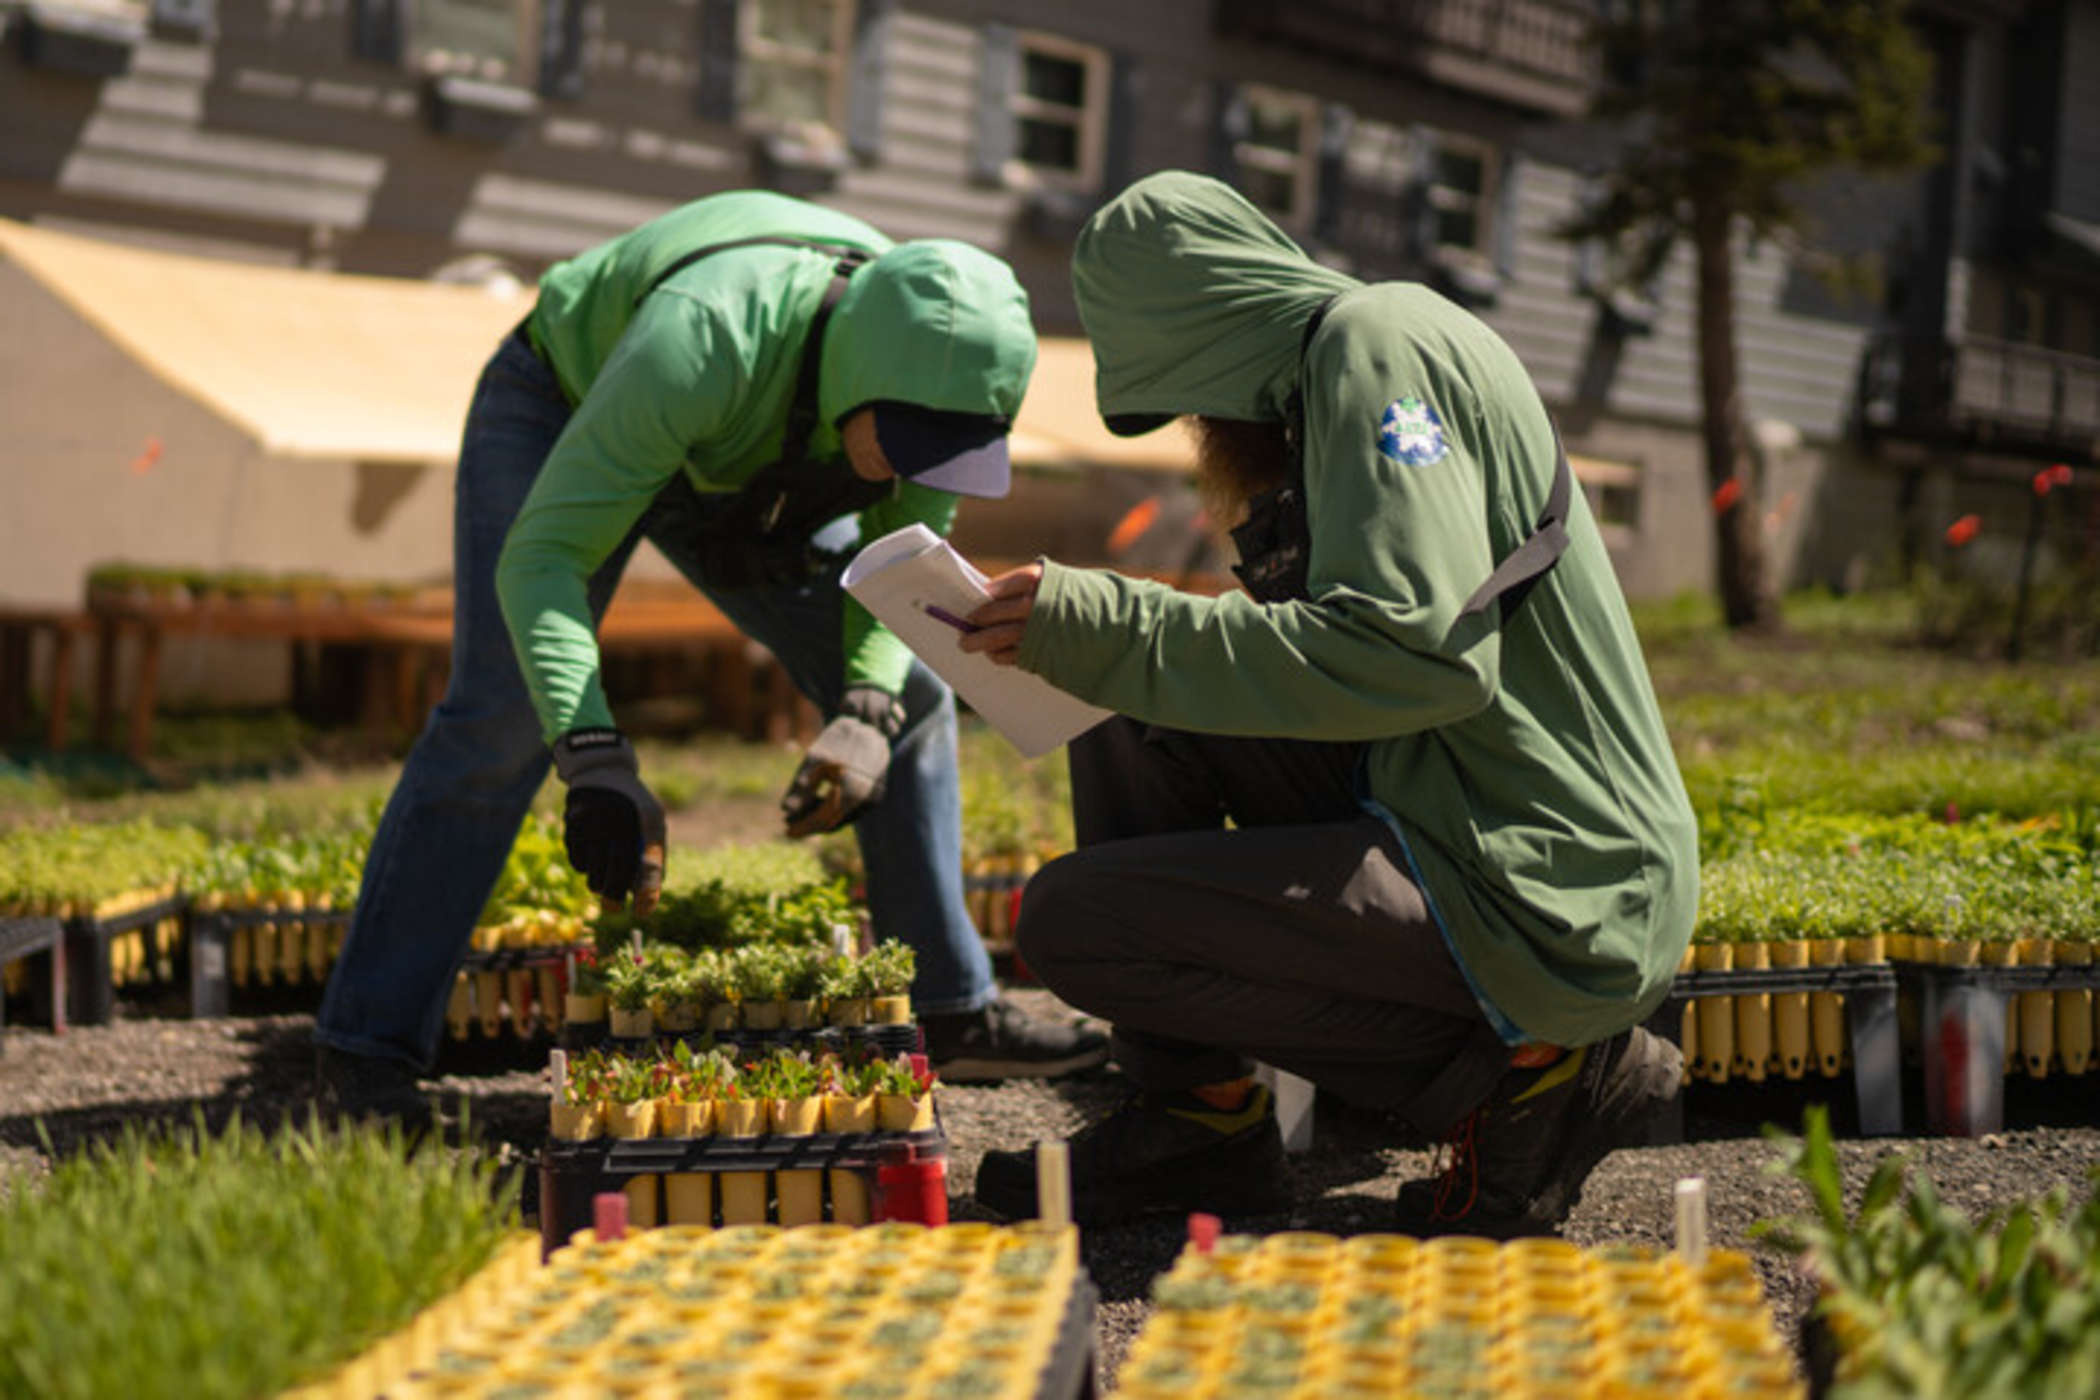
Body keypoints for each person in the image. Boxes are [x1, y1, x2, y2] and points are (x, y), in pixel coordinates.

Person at [960, 172, 1696, 1238]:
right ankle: (1199, 1116)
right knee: (1125, 702)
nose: (1201, 427)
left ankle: (1536, 1069)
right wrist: (1098, 643)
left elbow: (1416, 656)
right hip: (1453, 800)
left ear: (1210, 333)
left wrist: (1118, 623)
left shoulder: (1375, 344)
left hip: (1548, 874)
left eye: (1189, 390)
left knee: (1077, 919)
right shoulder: (1337, 371)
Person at [315, 190, 1108, 1127]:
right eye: (906, 447)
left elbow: (905, 573)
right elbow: (545, 560)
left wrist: (864, 710)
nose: (913, 475)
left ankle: (949, 1005)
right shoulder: (702, 337)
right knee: (503, 717)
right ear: (856, 377)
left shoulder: (937, 373)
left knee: (918, 698)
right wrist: (594, 755)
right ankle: (365, 1046)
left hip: (747, 454)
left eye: (949, 454)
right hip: (568, 397)